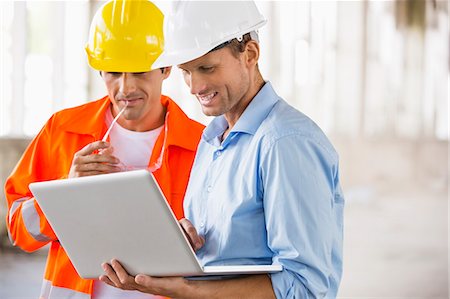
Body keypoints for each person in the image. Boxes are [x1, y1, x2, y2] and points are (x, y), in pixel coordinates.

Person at [100, 1, 344, 298]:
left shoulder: (285, 142)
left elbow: (305, 289)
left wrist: (187, 289)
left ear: (250, 54)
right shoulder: (212, 139)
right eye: (186, 72)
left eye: (206, 68)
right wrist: (179, 248)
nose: (194, 86)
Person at [4, 1, 204, 298]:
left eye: (139, 72)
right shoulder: (63, 130)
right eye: (113, 72)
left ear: (166, 67)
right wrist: (66, 193)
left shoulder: (203, 146)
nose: (125, 88)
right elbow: (18, 229)